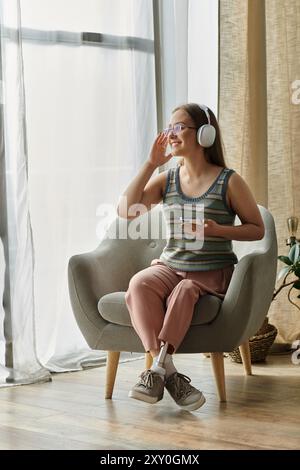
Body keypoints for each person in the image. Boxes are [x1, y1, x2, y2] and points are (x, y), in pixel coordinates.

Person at [117, 103, 265, 411]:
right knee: (139, 284)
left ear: (205, 135)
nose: (171, 134)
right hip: (171, 264)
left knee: (185, 290)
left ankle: (157, 370)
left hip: (211, 272)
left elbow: (256, 230)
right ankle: (167, 373)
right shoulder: (168, 178)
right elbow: (126, 212)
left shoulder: (229, 181)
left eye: (179, 127)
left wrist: (218, 230)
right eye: (169, 128)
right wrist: (149, 164)